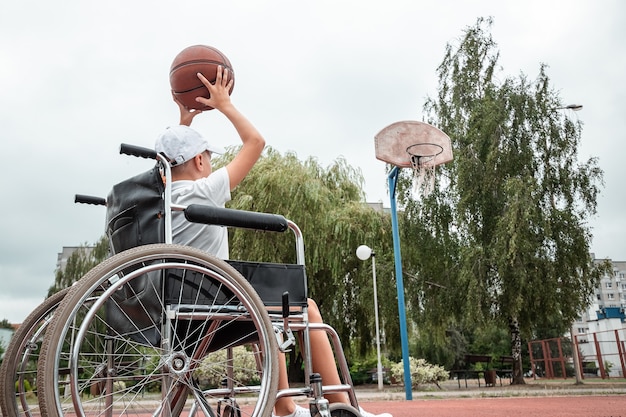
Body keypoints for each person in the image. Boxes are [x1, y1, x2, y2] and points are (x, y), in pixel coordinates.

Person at [155, 66, 391, 417]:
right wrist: (224, 105)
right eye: (208, 157)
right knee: (297, 306)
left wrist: (183, 123)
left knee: (263, 304)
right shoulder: (204, 191)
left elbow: (172, 162)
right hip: (210, 310)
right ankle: (340, 406)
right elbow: (256, 143)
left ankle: (285, 407)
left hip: (172, 312)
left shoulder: (160, 200)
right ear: (201, 159)